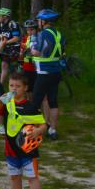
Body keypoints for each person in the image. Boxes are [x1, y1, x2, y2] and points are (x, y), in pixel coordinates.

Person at [0, 72, 47, 189]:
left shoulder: (31, 107)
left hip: (28, 150)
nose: (14, 89)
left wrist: (38, 131)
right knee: (15, 177)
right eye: (11, 85)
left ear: (25, 88)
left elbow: (43, 125)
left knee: (32, 178)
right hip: (11, 149)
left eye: (18, 86)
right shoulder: (7, 104)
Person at [27, 9, 64, 140]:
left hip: (44, 72)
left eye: (39, 20)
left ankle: (31, 130)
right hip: (56, 72)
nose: (38, 22)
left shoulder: (42, 34)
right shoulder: (58, 34)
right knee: (53, 101)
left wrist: (32, 47)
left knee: (36, 101)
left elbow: (37, 52)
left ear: (44, 21)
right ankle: (52, 130)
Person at [0, 8, 22, 86]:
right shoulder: (1, 25)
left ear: (5, 16)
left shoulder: (13, 24)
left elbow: (16, 38)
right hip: (5, 49)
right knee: (4, 65)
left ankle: (18, 84)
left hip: (14, 49)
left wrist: (4, 43)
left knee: (14, 68)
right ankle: (0, 85)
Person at [20, 19, 39, 93]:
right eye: (27, 30)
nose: (29, 32)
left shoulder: (39, 38)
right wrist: (22, 52)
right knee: (27, 88)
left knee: (37, 88)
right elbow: (21, 54)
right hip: (27, 66)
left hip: (37, 67)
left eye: (32, 30)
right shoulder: (25, 38)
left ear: (36, 30)